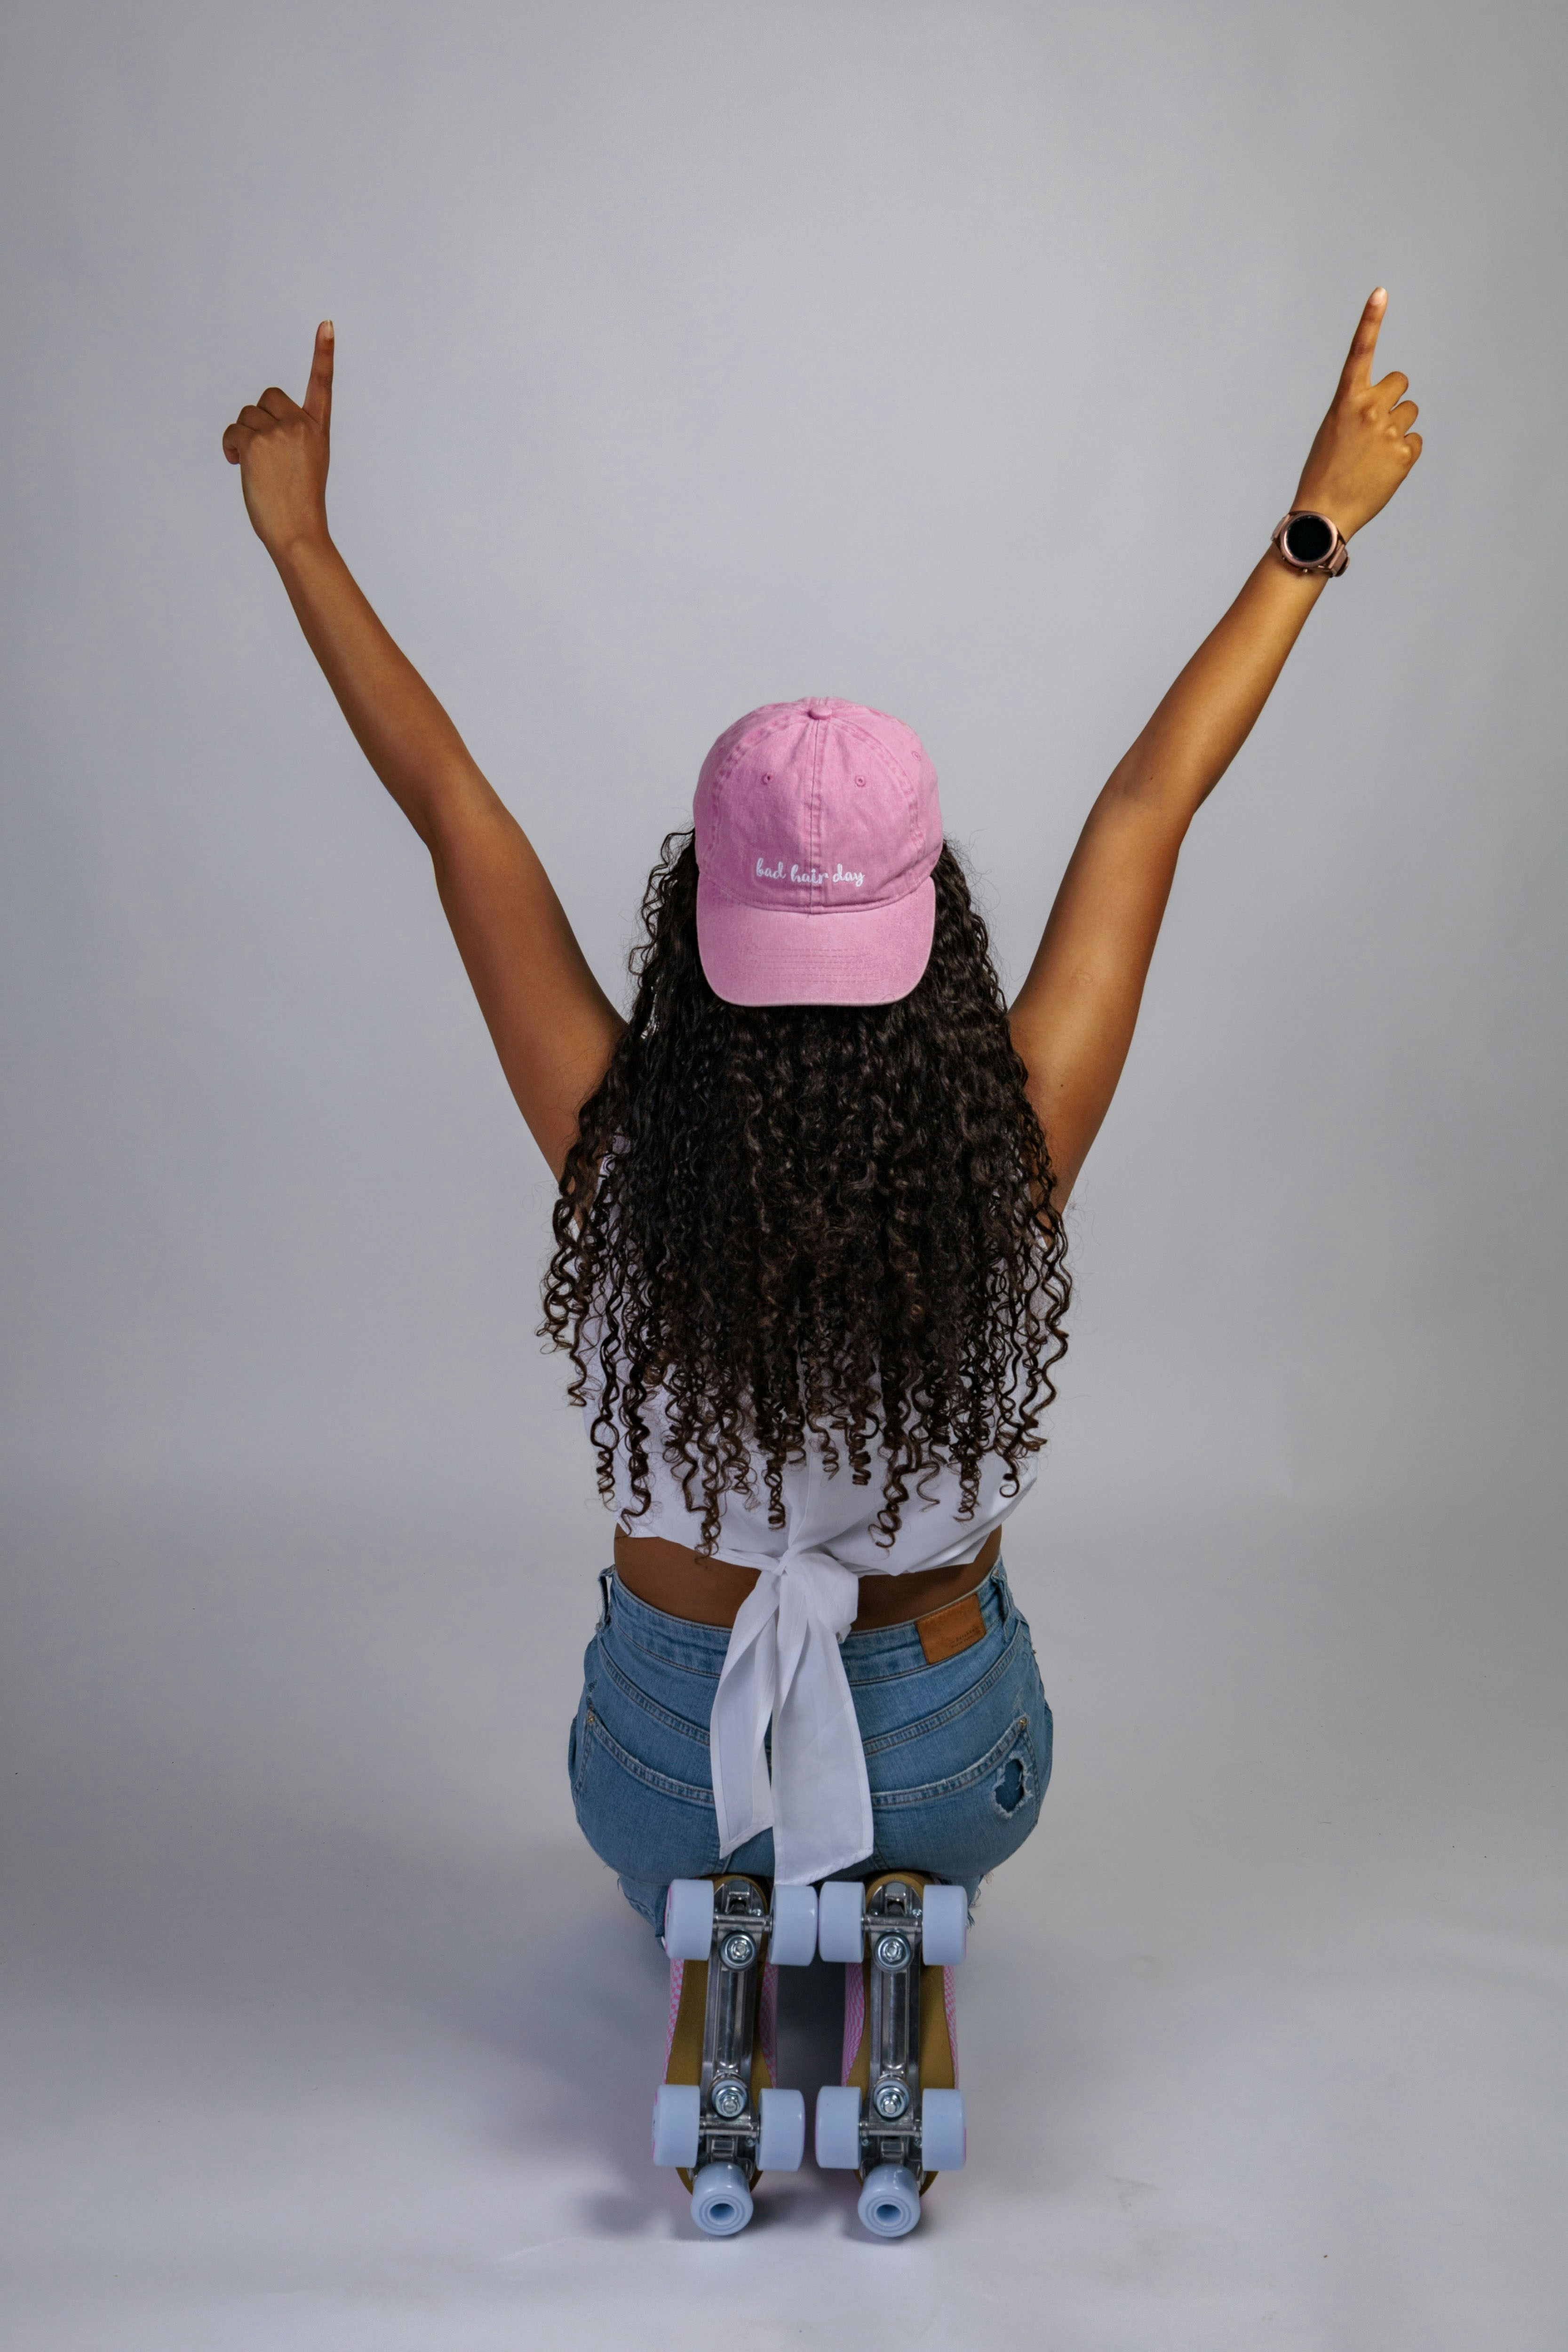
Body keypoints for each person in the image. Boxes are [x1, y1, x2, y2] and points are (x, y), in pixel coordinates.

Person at [221, 290, 1420, 2207]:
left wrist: (299, 539)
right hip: (942, 1750)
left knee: (677, 1840)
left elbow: (453, 809)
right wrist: (1313, 525)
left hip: (662, 1761)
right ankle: (890, 1920)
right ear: (930, 922)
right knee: (945, 1788)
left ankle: (721, 1920)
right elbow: (1149, 806)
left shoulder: (618, 1147)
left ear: (698, 914)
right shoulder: (1010, 1139)